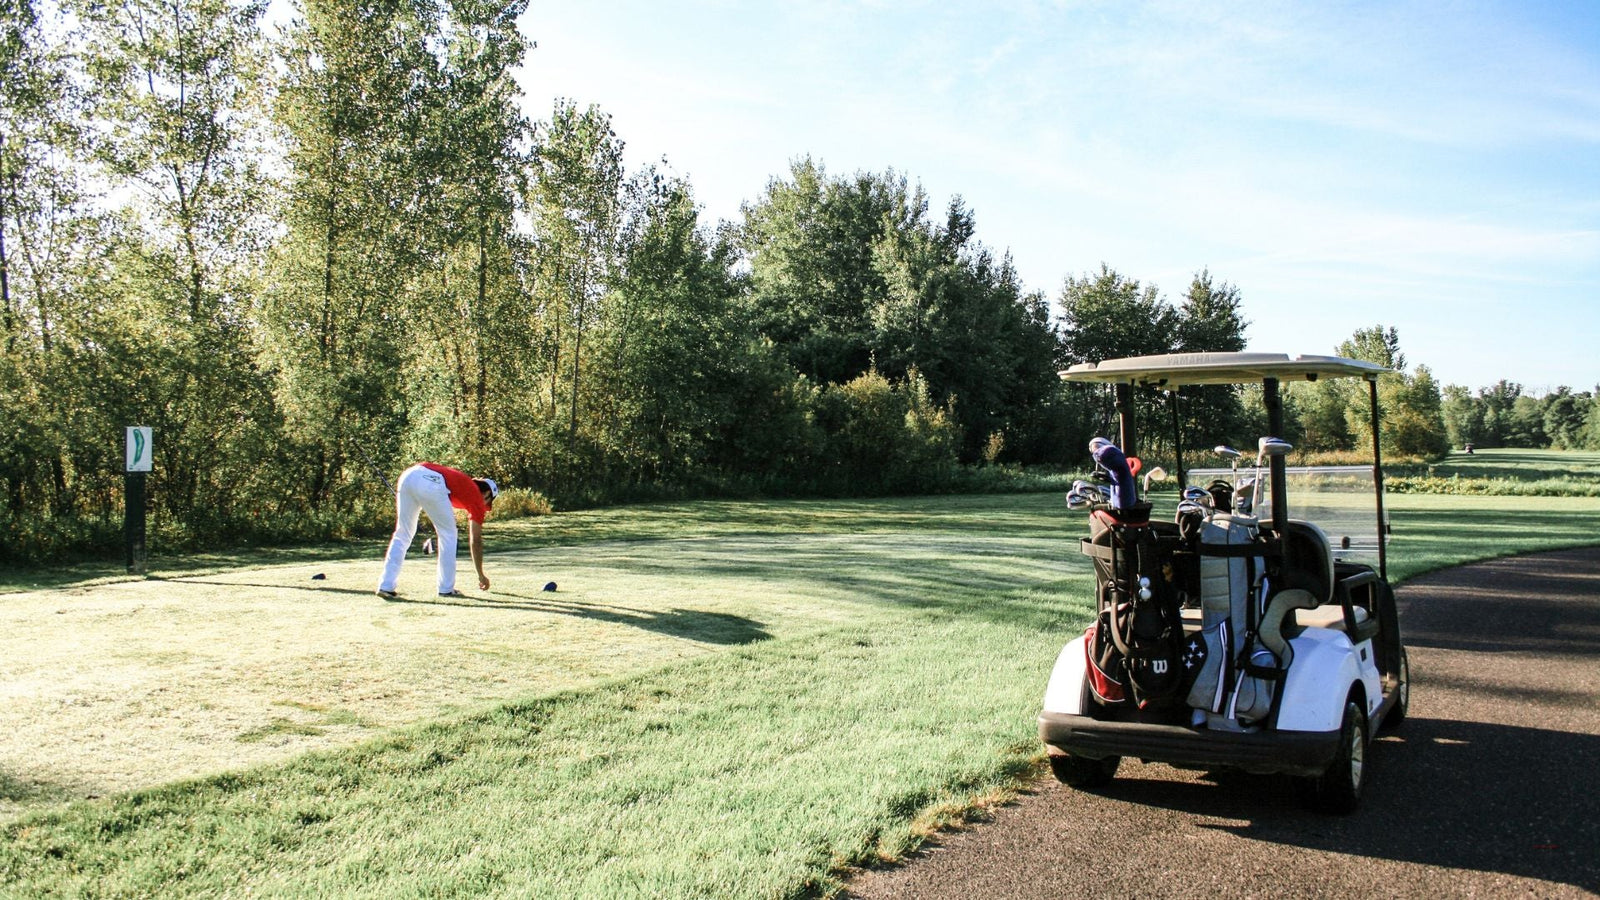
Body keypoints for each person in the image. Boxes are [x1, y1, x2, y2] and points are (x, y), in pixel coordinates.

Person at [377, 463, 498, 599]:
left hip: (408, 475)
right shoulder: (476, 496)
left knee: (403, 533)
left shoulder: (463, 485)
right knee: (449, 535)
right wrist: (480, 575)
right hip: (431, 480)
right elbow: (475, 540)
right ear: (487, 493)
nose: (484, 506)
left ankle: (386, 586)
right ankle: (446, 588)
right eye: (487, 502)